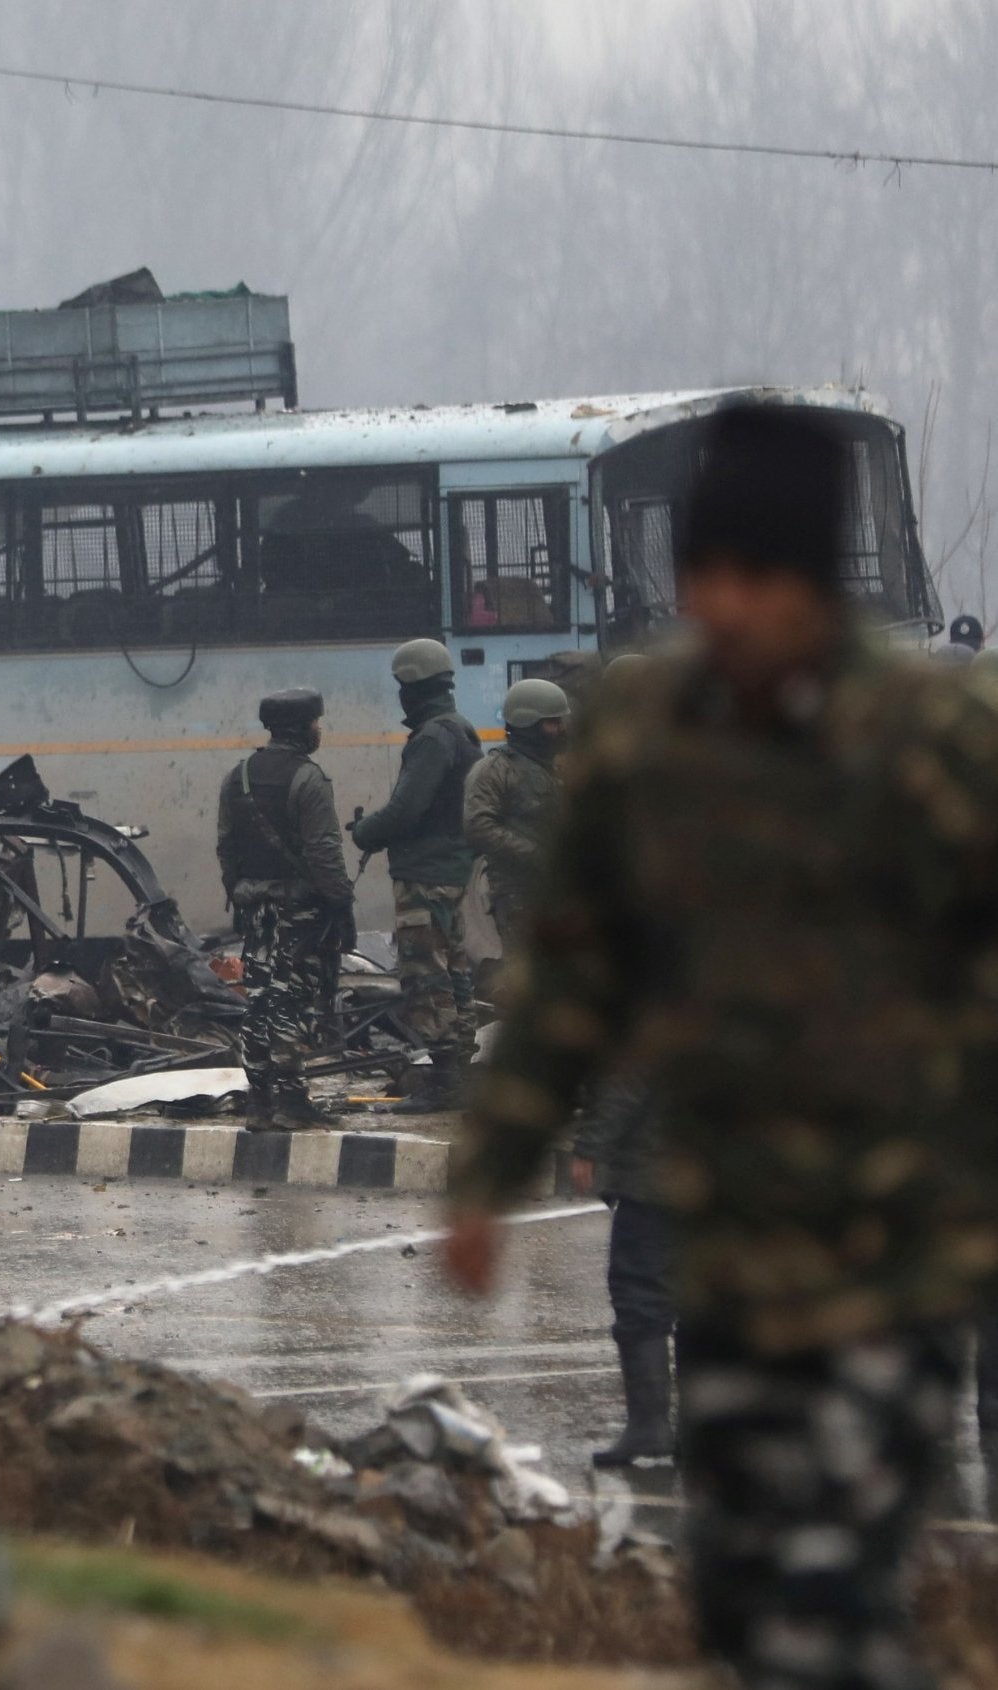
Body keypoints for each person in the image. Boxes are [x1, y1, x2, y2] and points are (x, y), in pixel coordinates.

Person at [447, 402, 998, 1690]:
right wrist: (492, 1166)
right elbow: (575, 966)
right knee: (747, 1577)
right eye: (705, 579)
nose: (727, 609)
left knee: (857, 1558)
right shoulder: (646, 731)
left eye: (758, 579)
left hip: (901, 1238)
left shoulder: (935, 736)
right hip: (734, 1235)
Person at [347, 638, 483, 1112]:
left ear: (412, 687)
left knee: (426, 977)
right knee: (454, 975)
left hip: (425, 873)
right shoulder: (461, 730)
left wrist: (364, 831)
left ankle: (446, 1082)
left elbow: (405, 810)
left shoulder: (431, 738)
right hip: (451, 870)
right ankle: (460, 1075)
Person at [216, 687, 353, 1128]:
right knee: (292, 999)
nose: (320, 728)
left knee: (258, 999)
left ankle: (260, 1099)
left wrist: (238, 893)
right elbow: (324, 851)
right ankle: (292, 1102)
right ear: (302, 727)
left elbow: (226, 847)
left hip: (256, 907)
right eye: (316, 721)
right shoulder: (308, 779)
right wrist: (341, 903)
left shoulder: (239, 777)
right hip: (300, 911)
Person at [568, 1075, 675, 1467]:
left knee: (639, 1292)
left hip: (656, 1174)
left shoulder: (649, 1017)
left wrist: (590, 1146)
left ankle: (650, 1426)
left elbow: (625, 1084)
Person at [462, 677, 569, 960]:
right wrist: (534, 853)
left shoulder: (555, 768)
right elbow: (478, 826)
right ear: (528, 724)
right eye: (552, 723)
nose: (561, 729)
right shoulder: (495, 769)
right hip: (519, 895)